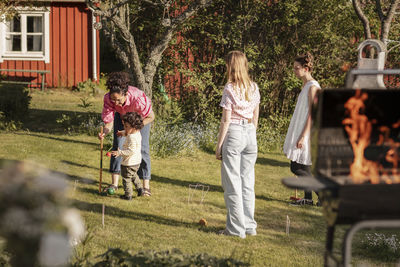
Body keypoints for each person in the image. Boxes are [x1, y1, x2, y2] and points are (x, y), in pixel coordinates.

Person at [215, 51, 260, 238]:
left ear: (230, 66)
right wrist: (252, 132)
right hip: (250, 133)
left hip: (234, 133)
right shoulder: (254, 87)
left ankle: (235, 230)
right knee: (247, 182)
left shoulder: (230, 88)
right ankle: (249, 226)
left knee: (232, 183)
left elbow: (226, 120)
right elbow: (256, 114)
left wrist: (219, 145)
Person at [98, 72, 155, 197]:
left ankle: (145, 186)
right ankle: (114, 183)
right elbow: (109, 120)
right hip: (122, 116)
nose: (116, 103)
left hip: (140, 119)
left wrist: (134, 129)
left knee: (142, 149)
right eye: (114, 100)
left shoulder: (138, 98)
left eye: (119, 100)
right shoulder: (109, 99)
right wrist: (105, 132)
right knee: (117, 146)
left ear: (126, 94)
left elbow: (151, 116)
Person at [283, 52, 321, 206]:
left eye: (297, 68)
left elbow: (313, 114)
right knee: (305, 166)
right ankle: (308, 199)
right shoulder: (305, 85)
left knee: (296, 166)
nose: (294, 71)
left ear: (306, 68)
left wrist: (303, 136)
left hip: (307, 132)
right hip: (300, 129)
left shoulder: (313, 87)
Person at [110, 112, 144, 200]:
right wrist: (122, 132)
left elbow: (131, 151)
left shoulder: (132, 137)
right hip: (136, 162)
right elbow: (128, 133)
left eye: (126, 126)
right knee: (133, 175)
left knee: (126, 178)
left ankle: (128, 195)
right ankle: (140, 189)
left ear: (134, 127)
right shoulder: (137, 133)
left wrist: (120, 153)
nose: (125, 128)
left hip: (129, 163)